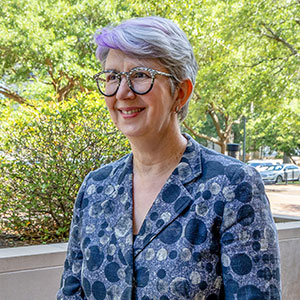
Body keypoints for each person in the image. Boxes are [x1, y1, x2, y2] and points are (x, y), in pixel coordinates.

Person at [57, 16, 281, 300]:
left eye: (140, 75)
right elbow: (71, 293)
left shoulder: (232, 186)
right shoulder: (95, 188)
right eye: (113, 77)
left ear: (181, 92)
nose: (122, 92)